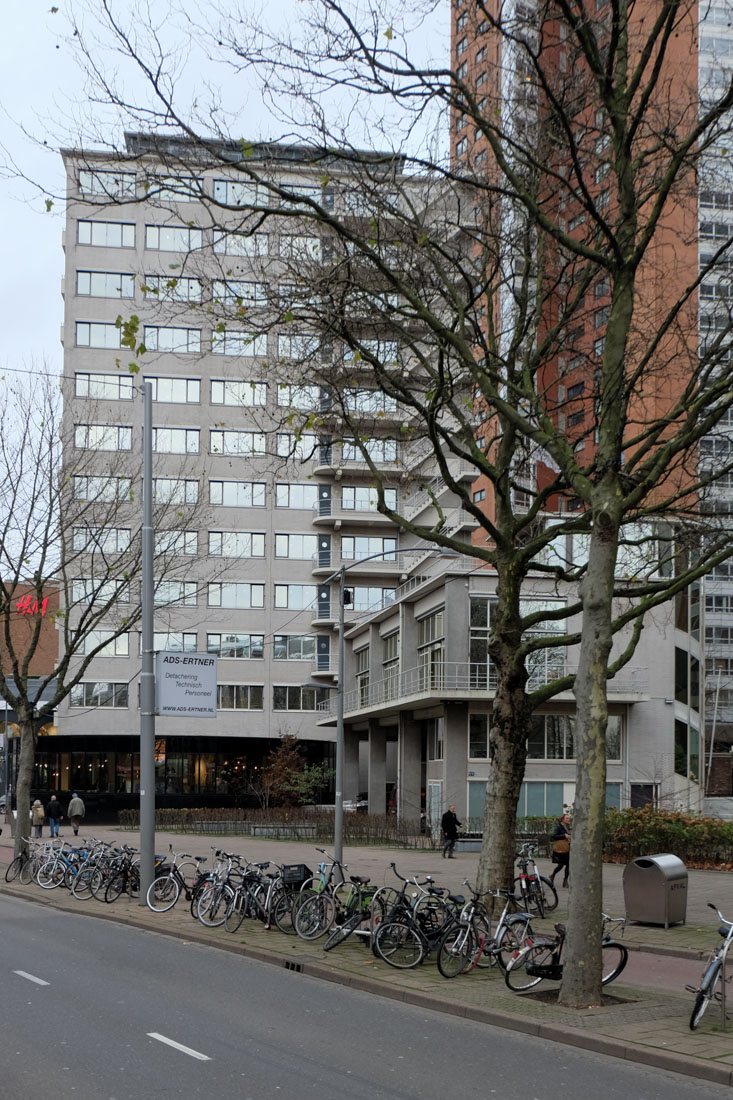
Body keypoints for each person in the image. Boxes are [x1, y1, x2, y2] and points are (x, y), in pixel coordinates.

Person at [550, 812, 572, 888]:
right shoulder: (558, 826)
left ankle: (565, 880)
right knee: (560, 865)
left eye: (569, 818)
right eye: (567, 818)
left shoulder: (569, 827)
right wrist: (564, 835)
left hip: (567, 849)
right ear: (562, 819)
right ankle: (552, 875)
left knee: (569, 865)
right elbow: (554, 836)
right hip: (560, 850)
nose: (569, 819)